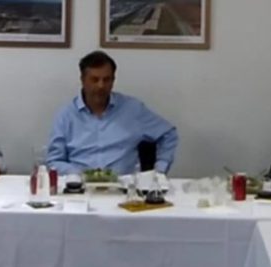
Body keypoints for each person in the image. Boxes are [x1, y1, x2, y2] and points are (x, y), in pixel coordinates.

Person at [46, 51, 179, 176]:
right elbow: (54, 161)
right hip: (80, 185)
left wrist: (160, 170)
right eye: (95, 79)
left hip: (123, 185)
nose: (101, 86)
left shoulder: (132, 109)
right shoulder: (66, 116)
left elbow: (168, 133)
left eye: (106, 79)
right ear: (82, 80)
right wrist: (79, 175)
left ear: (113, 80)